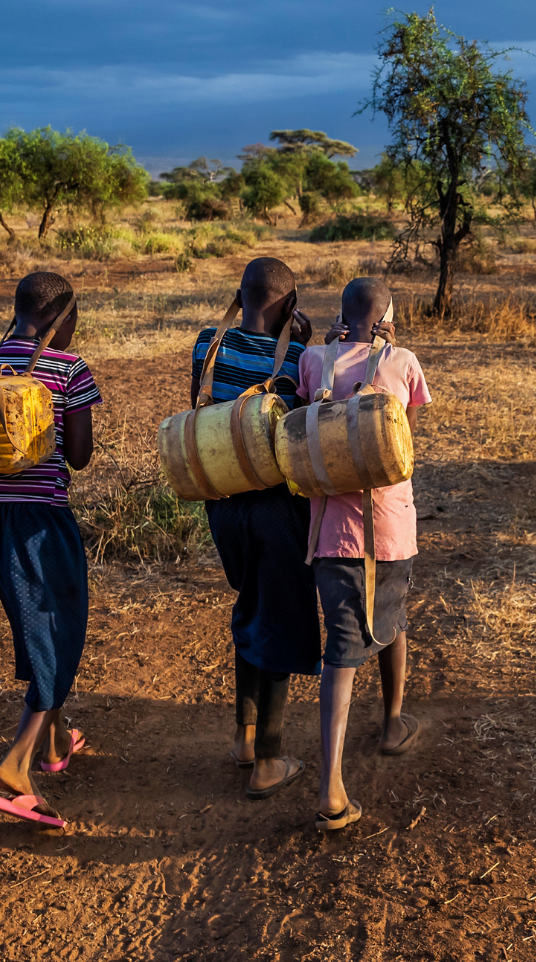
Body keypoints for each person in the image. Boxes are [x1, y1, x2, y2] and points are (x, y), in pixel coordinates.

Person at [295, 276, 432, 831]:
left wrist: (332, 348)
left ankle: (359, 750)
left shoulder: (311, 360)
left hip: (330, 533)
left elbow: (308, 420)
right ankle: (348, 767)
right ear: (387, 317)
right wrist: (385, 351)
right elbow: (405, 443)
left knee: (345, 637)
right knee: (377, 628)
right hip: (390, 530)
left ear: (343, 313)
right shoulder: (403, 362)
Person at [0, 271, 103, 829]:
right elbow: (79, 456)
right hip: (39, 520)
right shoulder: (69, 369)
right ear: (61, 319)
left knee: (36, 624)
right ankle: (15, 770)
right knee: (59, 630)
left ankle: (52, 746)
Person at [190, 256, 320, 800]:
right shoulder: (297, 355)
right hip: (275, 507)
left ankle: (244, 737)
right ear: (290, 305)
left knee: (251, 605)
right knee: (280, 618)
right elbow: (304, 424)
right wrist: (303, 345)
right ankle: (269, 758)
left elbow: (205, 408)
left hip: (222, 504)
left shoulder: (207, 344)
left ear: (238, 298)